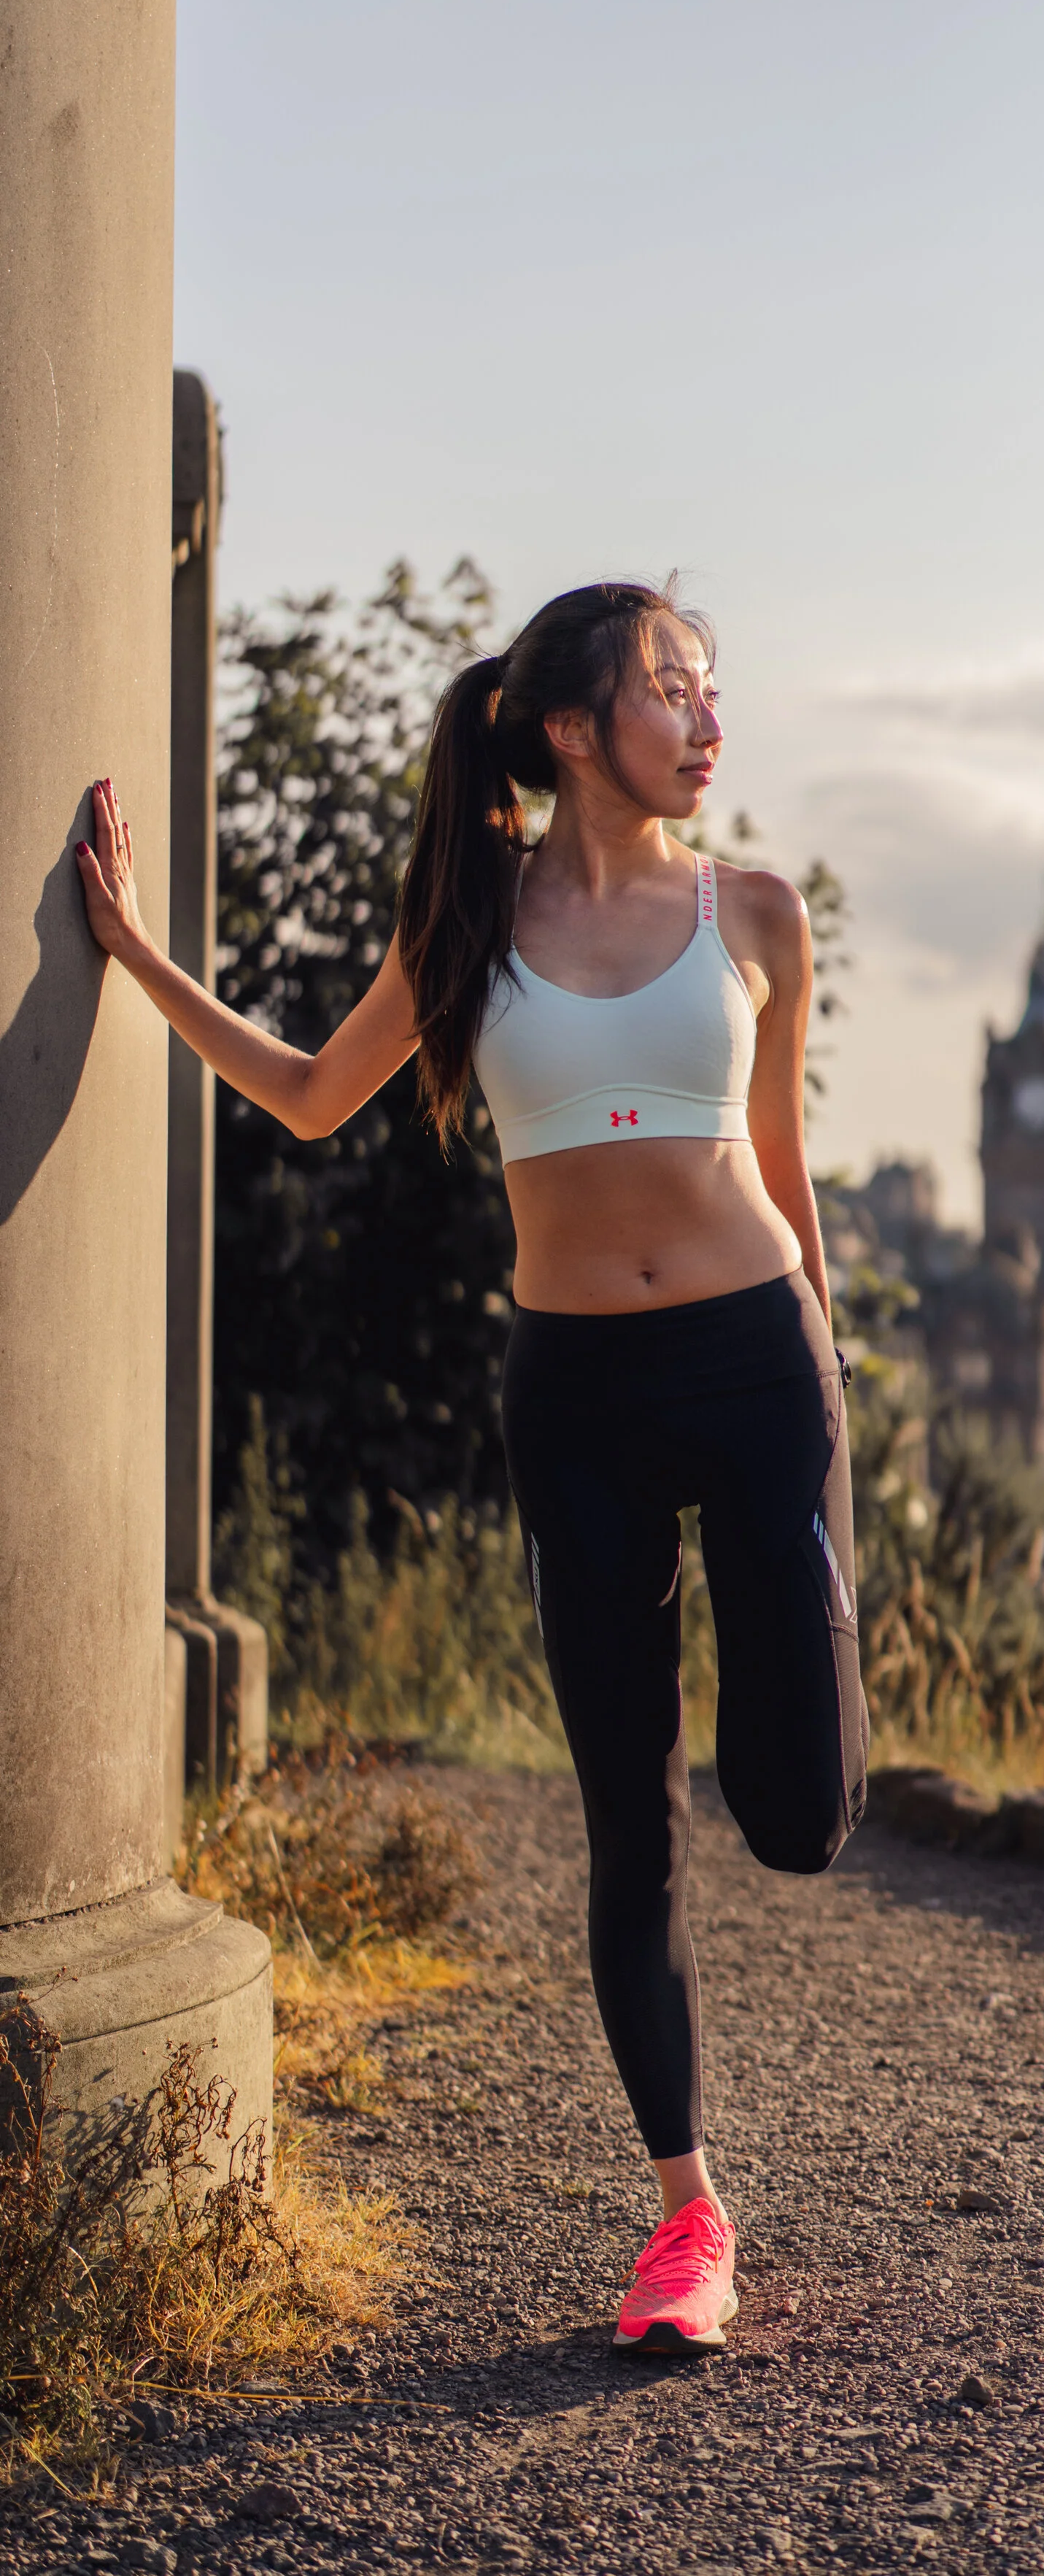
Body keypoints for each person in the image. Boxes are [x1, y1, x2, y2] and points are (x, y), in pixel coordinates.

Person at [77, 578, 868, 2355]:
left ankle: (818, 1638)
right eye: (675, 685)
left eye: (713, 686)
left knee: (798, 1818)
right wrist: (130, 955)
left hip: (753, 1365)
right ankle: (685, 2220)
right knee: (626, 1824)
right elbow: (300, 1094)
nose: (709, 713)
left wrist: (831, 1397)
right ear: (577, 727)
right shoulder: (469, 927)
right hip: (572, 1386)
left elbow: (780, 1159)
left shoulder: (755, 913)